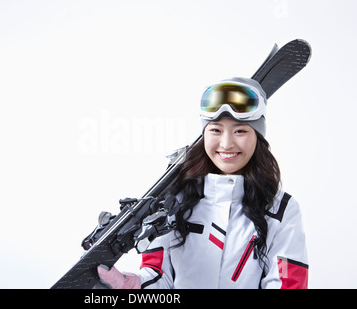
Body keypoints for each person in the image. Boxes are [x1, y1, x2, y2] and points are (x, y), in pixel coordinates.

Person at [97, 77, 308, 289]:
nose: (226, 143)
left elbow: (288, 282)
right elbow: (158, 276)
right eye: (216, 130)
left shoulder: (281, 209)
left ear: (258, 136)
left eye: (240, 131)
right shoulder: (174, 200)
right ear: (204, 133)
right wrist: (130, 285)